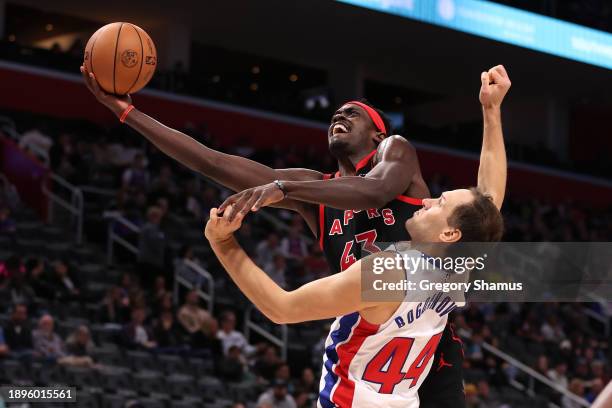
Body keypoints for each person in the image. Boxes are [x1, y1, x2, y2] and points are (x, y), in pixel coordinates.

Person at [81, 63, 508, 407]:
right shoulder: (315, 192)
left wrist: (281, 190)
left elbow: (372, 192)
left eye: (353, 113)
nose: (339, 115)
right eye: (335, 113)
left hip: (426, 355)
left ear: (378, 134)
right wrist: (129, 114)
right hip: (380, 337)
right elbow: (214, 163)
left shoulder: (395, 153)